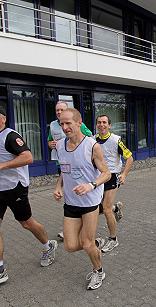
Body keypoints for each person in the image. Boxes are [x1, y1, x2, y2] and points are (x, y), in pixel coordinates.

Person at [0, 104, 57, 288]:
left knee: (26, 223)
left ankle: (48, 245)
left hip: (15, 188)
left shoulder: (10, 136)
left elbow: (28, 157)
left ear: (3, 118)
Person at [53, 108, 111, 290]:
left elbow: (106, 173)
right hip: (70, 203)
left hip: (89, 203)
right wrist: (58, 186)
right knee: (70, 246)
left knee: (85, 243)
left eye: (68, 123)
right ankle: (96, 243)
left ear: (79, 123)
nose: (65, 127)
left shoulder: (92, 146)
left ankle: (98, 271)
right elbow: (64, 169)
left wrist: (91, 185)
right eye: (62, 123)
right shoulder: (60, 145)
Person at [47, 101, 93, 240]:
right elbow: (49, 142)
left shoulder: (79, 124)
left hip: (80, 163)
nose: (59, 112)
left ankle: (106, 210)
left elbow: (89, 138)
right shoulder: (53, 125)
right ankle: (72, 226)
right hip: (62, 161)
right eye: (57, 110)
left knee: (89, 198)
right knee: (70, 187)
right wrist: (52, 144)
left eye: (61, 110)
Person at [94, 114, 133, 253]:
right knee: (96, 209)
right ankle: (116, 208)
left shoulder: (116, 140)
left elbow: (129, 157)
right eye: (99, 122)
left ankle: (113, 239)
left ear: (109, 125)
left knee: (105, 209)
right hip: (98, 178)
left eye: (104, 122)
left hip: (112, 176)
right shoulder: (92, 140)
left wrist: (124, 174)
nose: (102, 125)